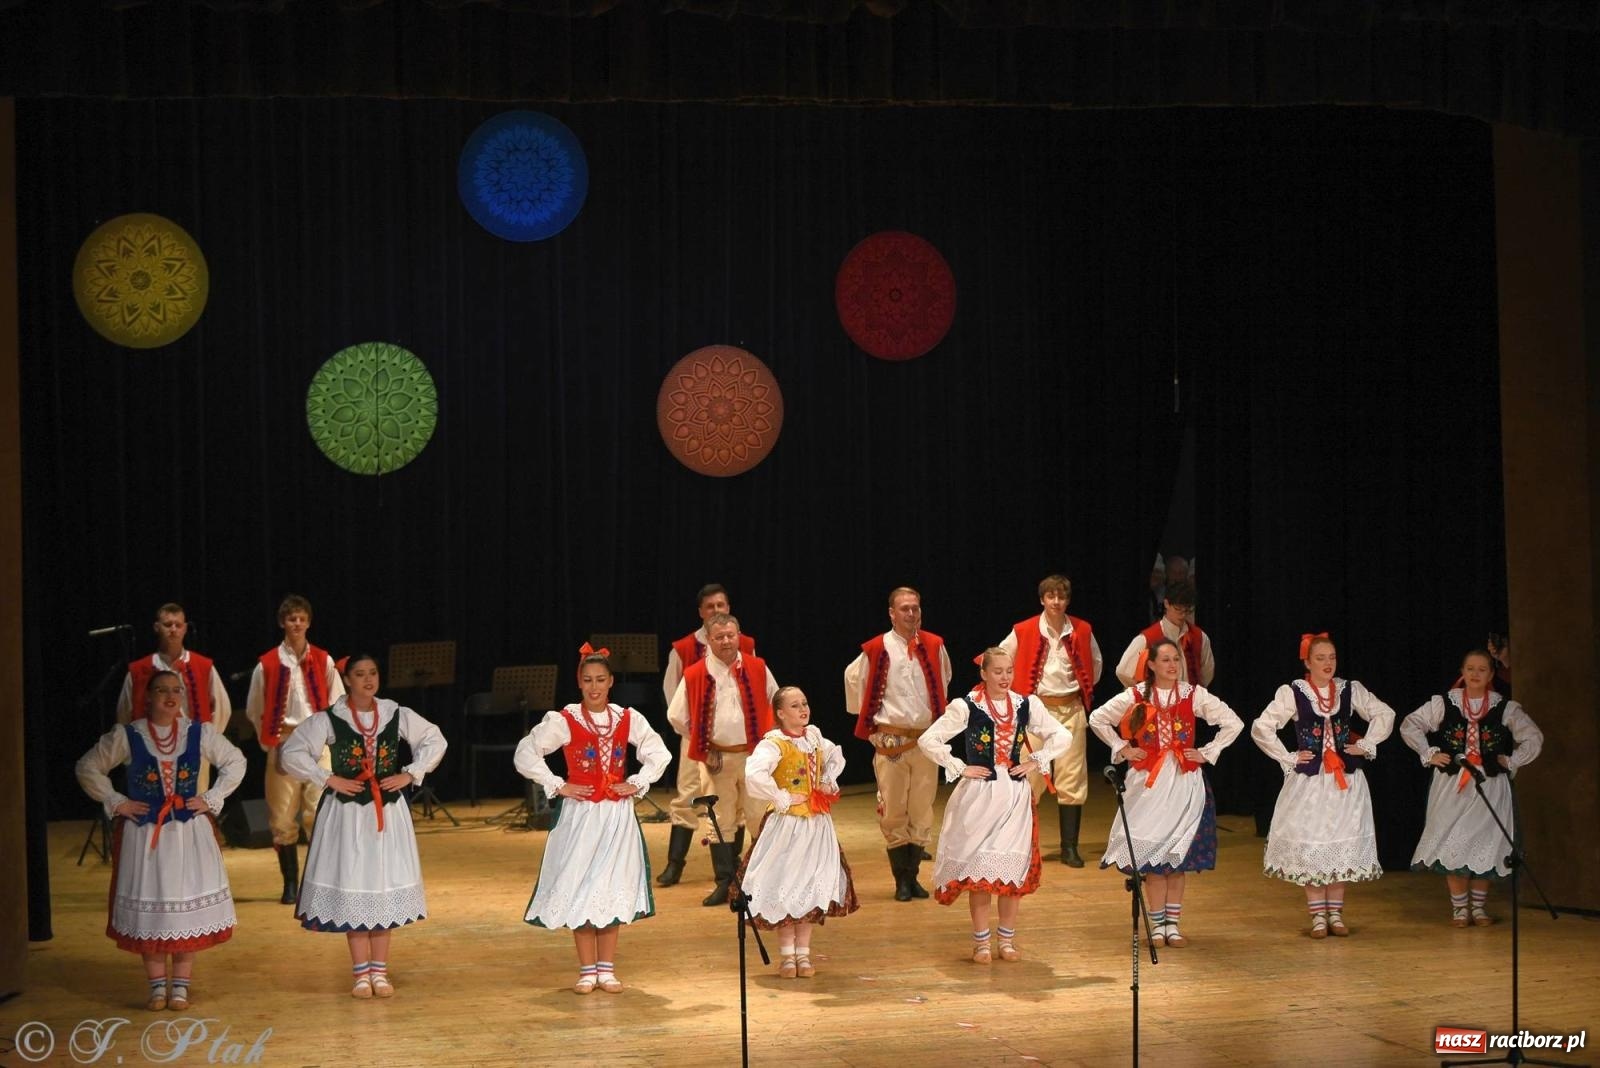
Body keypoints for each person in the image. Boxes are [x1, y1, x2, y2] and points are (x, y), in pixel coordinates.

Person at [76, 669, 247, 1011]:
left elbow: (235, 760)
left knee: (184, 912)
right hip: (146, 836)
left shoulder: (198, 733)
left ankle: (181, 986)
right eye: (162, 690)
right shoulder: (129, 735)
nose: (170, 696)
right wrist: (117, 801)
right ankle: (156, 988)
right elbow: (88, 766)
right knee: (152, 911)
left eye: (176, 690)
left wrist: (210, 798)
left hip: (187, 833)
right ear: (149, 696)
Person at [280, 653, 447, 998]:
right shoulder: (331, 718)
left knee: (381, 884)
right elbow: (291, 753)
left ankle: (380, 972)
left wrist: (411, 773)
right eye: (360, 674)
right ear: (347, 679)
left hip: (386, 810)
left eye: (373, 673)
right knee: (355, 883)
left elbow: (435, 739)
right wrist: (327, 778)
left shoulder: (393, 712)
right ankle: (360, 973)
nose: (368, 680)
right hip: (348, 814)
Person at [518, 646, 671, 993]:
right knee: (581, 883)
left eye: (600, 679)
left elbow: (659, 752)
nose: (594, 686)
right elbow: (526, 752)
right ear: (579, 682)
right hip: (582, 815)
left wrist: (637, 782)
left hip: (616, 814)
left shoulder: (626, 718)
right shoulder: (566, 719)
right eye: (588, 680)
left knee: (609, 885)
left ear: (611, 681)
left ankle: (607, 968)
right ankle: (587, 969)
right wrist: (558, 785)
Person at [917, 648, 1068, 963]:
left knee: (1009, 873)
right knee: (980, 871)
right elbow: (929, 740)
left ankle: (1007, 941)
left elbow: (1061, 735)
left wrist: (1036, 760)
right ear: (983, 673)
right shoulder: (967, 706)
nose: (1004, 677)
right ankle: (982, 941)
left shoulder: (1026, 705)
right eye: (997, 671)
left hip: (1013, 795)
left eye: (1009, 671)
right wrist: (960, 766)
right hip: (980, 796)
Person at [1089, 639, 1243, 947]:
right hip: (1148, 782)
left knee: (1176, 860)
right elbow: (1097, 718)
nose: (1173, 665)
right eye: (1166, 660)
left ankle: (1173, 924)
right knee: (1153, 860)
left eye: (1176, 659)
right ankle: (1157, 925)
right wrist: (1123, 748)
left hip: (1183, 780)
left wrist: (1207, 751)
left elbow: (1233, 722)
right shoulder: (1135, 695)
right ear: (1152, 665)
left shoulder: (1192, 694)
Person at [1251, 634, 1395, 938]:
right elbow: (1262, 726)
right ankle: (1318, 916)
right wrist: (1287, 756)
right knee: (1313, 842)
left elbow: (1385, 713)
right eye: (1320, 658)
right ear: (1307, 662)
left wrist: (1367, 744)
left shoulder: (1349, 690)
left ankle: (1336, 914)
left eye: (1331, 657)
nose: (1327, 663)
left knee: (1340, 841)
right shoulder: (1294, 692)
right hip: (1312, 781)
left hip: (1345, 782)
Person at [1400, 649, 1543, 926]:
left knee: (1484, 843)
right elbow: (1411, 725)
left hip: (1489, 784)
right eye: (1470, 669)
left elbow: (1533, 737)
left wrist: (1511, 760)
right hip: (1453, 784)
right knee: (1455, 840)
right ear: (1462, 672)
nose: (1475, 674)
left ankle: (1478, 908)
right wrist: (1429, 753)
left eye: (1482, 670)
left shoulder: (1504, 707)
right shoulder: (1446, 703)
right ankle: (1459, 908)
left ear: (1490, 675)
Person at [736, 686, 857, 979]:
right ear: (780, 713)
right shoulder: (774, 743)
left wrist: (827, 781)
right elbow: (754, 774)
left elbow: (833, 758)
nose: (802, 709)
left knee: (810, 886)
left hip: (816, 824)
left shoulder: (813, 736)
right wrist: (783, 797)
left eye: (804, 703)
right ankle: (787, 957)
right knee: (786, 885)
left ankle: (804, 955)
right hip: (788, 826)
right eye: (794, 705)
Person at [844, 586, 953, 902]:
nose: (911, 613)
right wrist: (875, 722)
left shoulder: (934, 644)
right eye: (904, 608)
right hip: (891, 742)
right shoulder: (877, 649)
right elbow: (855, 682)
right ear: (892, 613)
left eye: (915, 608)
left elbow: (944, 681)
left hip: (924, 740)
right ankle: (900, 881)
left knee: (921, 810)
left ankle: (913, 877)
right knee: (893, 811)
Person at [666, 613, 779, 906]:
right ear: (710, 640)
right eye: (719, 637)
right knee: (720, 821)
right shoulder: (694, 673)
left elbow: (776, 702)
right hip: (717, 759)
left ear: (738, 635)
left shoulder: (757, 667)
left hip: (754, 756)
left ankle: (762, 879)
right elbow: (677, 716)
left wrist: (770, 747)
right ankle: (725, 882)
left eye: (731, 635)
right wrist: (703, 743)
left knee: (759, 817)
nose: (726, 641)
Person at [245, 594, 345, 904]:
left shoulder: (324, 660)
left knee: (319, 813)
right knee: (282, 817)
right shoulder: (268, 664)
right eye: (291, 619)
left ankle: (319, 884)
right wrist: (270, 744)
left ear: (309, 622)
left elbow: (337, 702)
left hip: (316, 742)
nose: (297, 623)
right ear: (282, 623)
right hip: (285, 742)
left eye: (301, 618)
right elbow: (255, 708)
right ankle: (291, 883)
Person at [998, 573, 1103, 866]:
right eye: (1051, 596)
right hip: (1036, 713)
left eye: (1061, 596)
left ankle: (1069, 847)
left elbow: (1095, 664)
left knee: (1072, 777)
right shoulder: (1023, 630)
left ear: (1067, 599)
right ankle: (1022, 847)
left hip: (1070, 710)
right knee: (1029, 778)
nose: (1056, 602)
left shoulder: (1081, 629)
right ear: (1042, 599)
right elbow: (999, 660)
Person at [657, 583, 757, 888]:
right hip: (694, 737)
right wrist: (694, 735)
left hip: (737, 741)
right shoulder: (684, 648)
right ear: (701, 612)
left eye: (721, 605)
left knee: (737, 800)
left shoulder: (746, 644)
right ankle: (675, 864)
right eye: (711, 606)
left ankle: (732, 865)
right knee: (687, 795)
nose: (717, 610)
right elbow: (671, 693)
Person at [1115, 580, 1213, 689]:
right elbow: (1123, 672)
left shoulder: (1200, 637)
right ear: (1166, 604)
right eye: (1178, 609)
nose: (1183, 615)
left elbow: (1207, 673)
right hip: (1157, 703)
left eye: (1187, 611)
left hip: (1190, 702)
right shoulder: (1147, 639)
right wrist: (1146, 693)